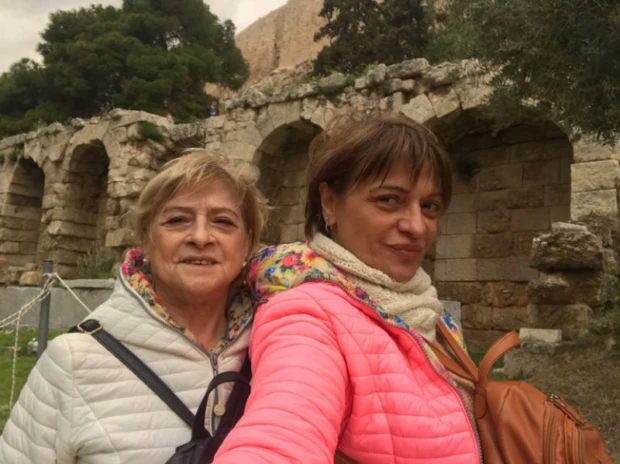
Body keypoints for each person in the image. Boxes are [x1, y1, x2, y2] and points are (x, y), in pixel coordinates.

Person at [213, 114, 482, 463]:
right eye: (389, 200)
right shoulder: (307, 314)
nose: (417, 227)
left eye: (429, 206)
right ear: (329, 203)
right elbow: (281, 433)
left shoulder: (429, 313)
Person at [0, 150, 267, 463]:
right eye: (177, 220)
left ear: (246, 243)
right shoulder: (73, 362)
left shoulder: (282, 348)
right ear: (146, 239)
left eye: (223, 221)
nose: (200, 237)